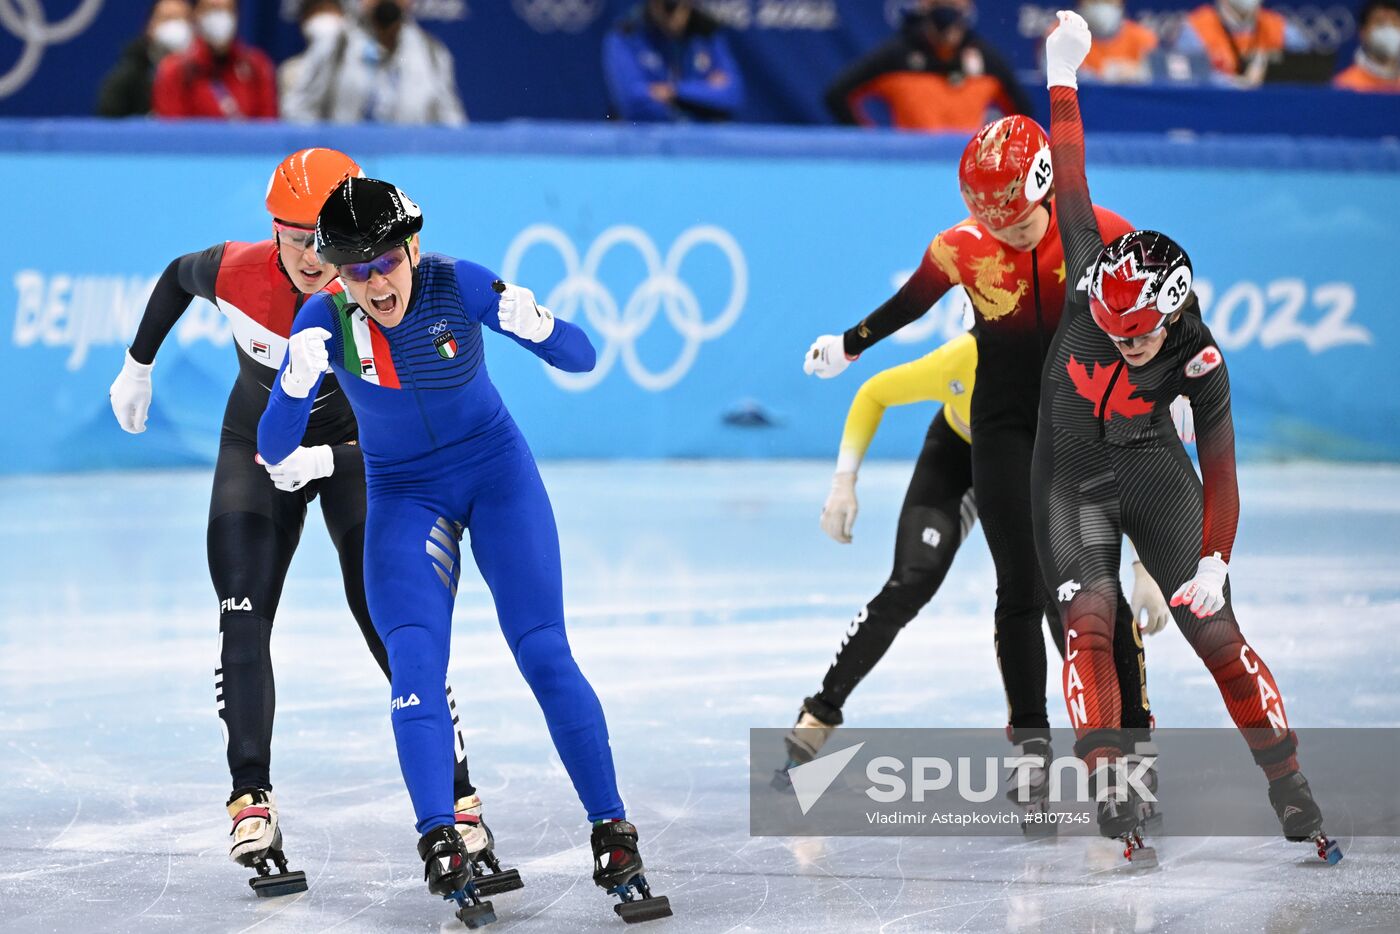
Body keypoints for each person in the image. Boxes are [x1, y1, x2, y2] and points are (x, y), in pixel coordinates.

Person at [256, 178, 671, 922]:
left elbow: (581, 357)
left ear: (410, 248)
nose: (375, 283)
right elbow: (272, 449)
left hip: (496, 475)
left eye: (385, 262)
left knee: (544, 651)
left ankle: (612, 828)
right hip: (405, 496)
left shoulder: (460, 283)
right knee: (415, 662)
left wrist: (539, 325)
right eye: (355, 270)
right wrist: (293, 382)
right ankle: (440, 837)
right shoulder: (325, 322)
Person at [107, 150, 501, 895]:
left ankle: (459, 796)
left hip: (361, 456)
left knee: (389, 620)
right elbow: (174, 276)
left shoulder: (387, 292)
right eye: (297, 240)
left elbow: (422, 429)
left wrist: (328, 461)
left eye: (328, 240)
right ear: (274, 231)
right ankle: (249, 798)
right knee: (242, 612)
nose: (316, 259)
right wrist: (138, 362)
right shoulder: (234, 271)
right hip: (255, 452)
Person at [1033, 11, 1339, 863]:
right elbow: (1069, 171)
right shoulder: (1095, 267)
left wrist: (1216, 560)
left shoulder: (1202, 360)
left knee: (1219, 639)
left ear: (1171, 321)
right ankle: (1113, 792)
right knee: (1088, 627)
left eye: (1136, 338)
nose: (1119, 343)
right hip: (1070, 475)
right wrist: (1064, 73)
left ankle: (1292, 787)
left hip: (1153, 474)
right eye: (1108, 329)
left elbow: (1223, 469)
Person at [802, 112, 1149, 786]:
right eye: (994, 224)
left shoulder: (1102, 232)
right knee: (1020, 587)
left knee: (1089, 588)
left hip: (1078, 422)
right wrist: (849, 345)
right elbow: (906, 305)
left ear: (1047, 191)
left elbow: (1161, 322)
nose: (1005, 234)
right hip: (1002, 426)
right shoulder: (962, 247)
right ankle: (1031, 747)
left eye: (1017, 222)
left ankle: (1130, 740)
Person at [786, 330, 1174, 819]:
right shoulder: (963, 357)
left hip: (1039, 463)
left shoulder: (1082, 367)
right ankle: (820, 711)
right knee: (913, 583)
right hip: (959, 456)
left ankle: (1125, 746)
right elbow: (873, 392)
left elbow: (1122, 458)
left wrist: (1144, 567)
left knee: (1076, 596)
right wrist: (843, 483)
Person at [824, 0, 1030, 133]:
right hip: (912, 168)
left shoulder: (987, 59)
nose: (947, 23)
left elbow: (1023, 115)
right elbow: (837, 95)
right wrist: (871, 143)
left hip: (969, 171)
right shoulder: (896, 56)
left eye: (955, 10)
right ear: (924, 8)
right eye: (939, 9)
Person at [280, 0, 465, 125]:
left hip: (408, 167)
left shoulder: (431, 52)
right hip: (345, 171)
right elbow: (299, 110)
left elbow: (450, 120)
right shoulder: (335, 44)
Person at [602, 0, 745, 122]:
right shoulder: (627, 35)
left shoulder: (706, 33)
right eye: (668, 6)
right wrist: (702, 94)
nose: (674, 17)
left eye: (678, 5)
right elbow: (629, 99)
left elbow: (732, 94)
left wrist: (673, 91)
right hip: (645, 141)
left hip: (701, 142)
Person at [151, 0, 277, 119]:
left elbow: (268, 128)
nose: (219, 18)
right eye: (212, 9)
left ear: (236, 15)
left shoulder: (257, 66)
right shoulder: (174, 71)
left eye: (226, 9)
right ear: (196, 14)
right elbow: (171, 133)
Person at [96, 0, 194, 117]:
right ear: (150, 26)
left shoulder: (207, 73)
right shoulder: (128, 75)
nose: (174, 26)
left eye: (180, 19)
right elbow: (108, 120)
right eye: (167, 19)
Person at [1173, 0, 1308, 84]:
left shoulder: (1281, 28)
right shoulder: (1195, 28)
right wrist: (1233, 83)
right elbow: (1186, 77)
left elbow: (1310, 69)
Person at [278, 0, 347, 106]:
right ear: (305, 22)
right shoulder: (291, 72)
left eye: (330, 10)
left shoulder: (363, 65)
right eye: (319, 11)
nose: (325, 18)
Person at [1075, 0, 1158, 83]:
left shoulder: (1143, 38)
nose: (1101, 3)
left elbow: (1159, 82)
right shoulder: (1067, 38)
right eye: (1094, 1)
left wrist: (1141, 74)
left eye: (1108, 1)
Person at [1334, 0, 1400, 92]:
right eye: (1380, 23)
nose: (1389, 29)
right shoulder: (1344, 85)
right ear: (1363, 32)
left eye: (1395, 22)